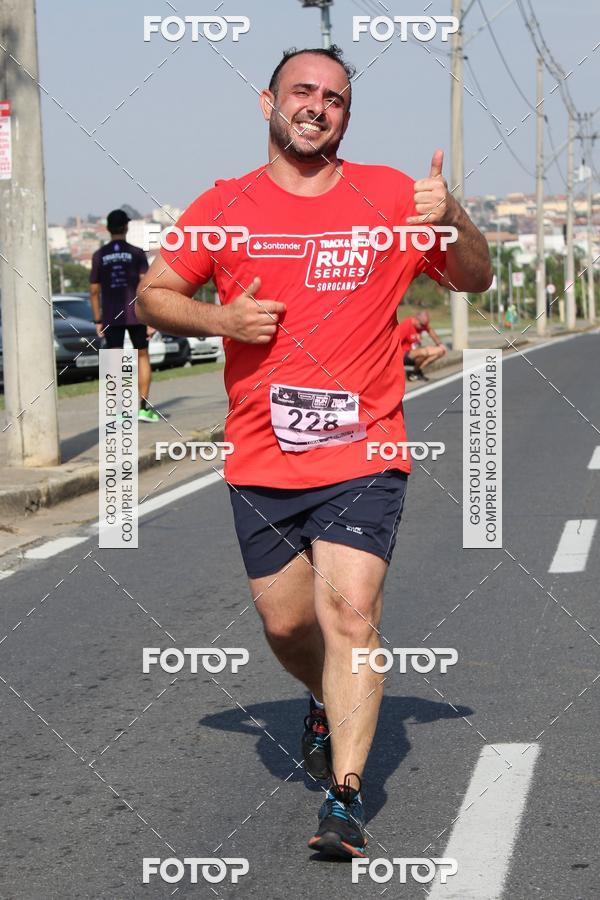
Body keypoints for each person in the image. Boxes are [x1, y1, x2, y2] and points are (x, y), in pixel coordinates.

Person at [136, 45, 493, 859]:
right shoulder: (225, 204)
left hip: (365, 449)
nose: (317, 105)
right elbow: (152, 295)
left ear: (345, 116)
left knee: (349, 615)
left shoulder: (394, 195)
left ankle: (345, 797)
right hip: (263, 458)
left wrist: (454, 217)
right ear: (269, 100)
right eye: (303, 90)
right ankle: (325, 698)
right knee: (288, 622)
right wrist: (222, 322)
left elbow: (474, 279)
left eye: (334, 97)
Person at [90, 209, 159, 422]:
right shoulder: (137, 253)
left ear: (108, 229)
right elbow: (145, 287)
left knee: (115, 360)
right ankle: (142, 408)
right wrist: (151, 317)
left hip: (111, 315)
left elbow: (93, 291)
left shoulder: (99, 255)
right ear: (127, 227)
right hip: (137, 314)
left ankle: (119, 411)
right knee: (142, 356)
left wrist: (97, 319)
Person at [398, 310, 447, 381]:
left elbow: (431, 331)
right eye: (421, 325)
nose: (422, 327)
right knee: (424, 352)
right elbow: (395, 342)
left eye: (424, 325)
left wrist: (440, 344)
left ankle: (415, 372)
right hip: (404, 355)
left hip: (416, 353)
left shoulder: (422, 325)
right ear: (415, 319)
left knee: (441, 352)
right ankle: (416, 370)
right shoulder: (406, 325)